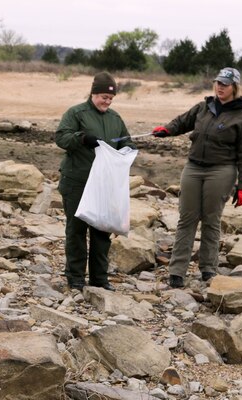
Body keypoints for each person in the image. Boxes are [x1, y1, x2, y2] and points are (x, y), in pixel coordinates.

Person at [152, 67, 242, 288]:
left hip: (222, 171)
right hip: (193, 168)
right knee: (186, 218)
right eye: (218, 82)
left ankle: (208, 269)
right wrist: (167, 130)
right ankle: (177, 271)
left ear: (234, 87)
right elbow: (182, 122)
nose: (220, 87)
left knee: (211, 219)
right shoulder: (203, 107)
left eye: (225, 84)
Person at [55, 72, 136, 292]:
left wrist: (129, 148)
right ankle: (75, 277)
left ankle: (99, 278)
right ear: (93, 93)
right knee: (76, 230)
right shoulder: (76, 113)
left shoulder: (115, 119)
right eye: (103, 97)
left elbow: (125, 140)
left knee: (102, 231)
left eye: (110, 99)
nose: (107, 102)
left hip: (104, 185)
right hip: (77, 182)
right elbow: (61, 137)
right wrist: (81, 138)